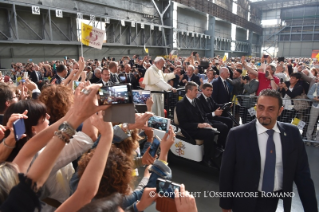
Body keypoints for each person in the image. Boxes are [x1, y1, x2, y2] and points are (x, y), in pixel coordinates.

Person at [219, 89, 317, 212]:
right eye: (260, 107)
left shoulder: (292, 134)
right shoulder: (237, 134)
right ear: (256, 107)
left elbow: (303, 176)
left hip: (272, 201)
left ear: (280, 111)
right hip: (243, 201)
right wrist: (225, 204)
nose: (264, 113)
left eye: (271, 109)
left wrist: (312, 209)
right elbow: (226, 172)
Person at [176, 82, 219, 168]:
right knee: (209, 134)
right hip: (189, 130)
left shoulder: (197, 101)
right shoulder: (181, 104)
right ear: (189, 91)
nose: (197, 92)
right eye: (195, 90)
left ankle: (214, 153)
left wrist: (208, 124)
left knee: (215, 130)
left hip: (199, 127)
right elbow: (184, 124)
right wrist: (198, 125)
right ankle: (207, 159)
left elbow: (203, 115)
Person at [197, 83, 232, 148]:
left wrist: (226, 105)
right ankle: (220, 144)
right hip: (206, 120)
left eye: (211, 90)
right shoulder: (199, 100)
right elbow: (203, 115)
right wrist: (214, 113)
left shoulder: (209, 98)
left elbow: (215, 105)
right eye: (208, 90)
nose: (210, 92)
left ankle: (226, 141)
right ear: (203, 90)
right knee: (223, 126)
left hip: (213, 117)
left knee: (229, 121)